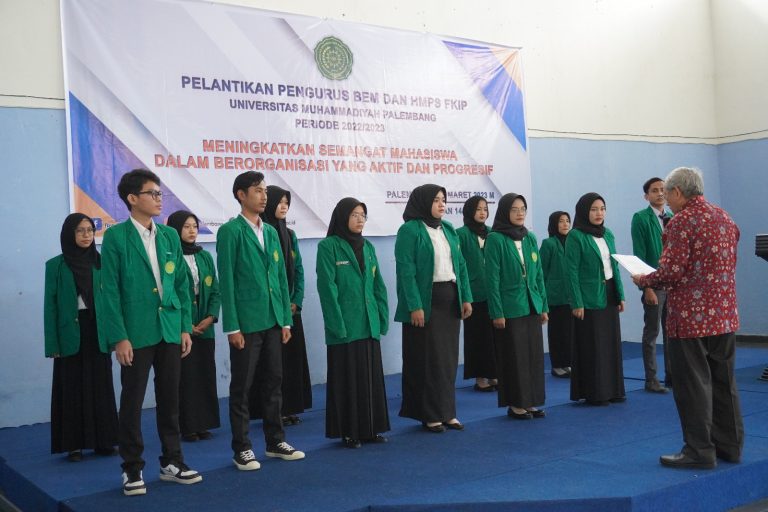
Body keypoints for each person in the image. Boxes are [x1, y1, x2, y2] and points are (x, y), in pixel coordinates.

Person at [633, 167, 743, 469]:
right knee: (724, 383)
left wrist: (644, 280)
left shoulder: (681, 222)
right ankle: (731, 447)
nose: (666, 200)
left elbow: (671, 272)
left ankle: (699, 451)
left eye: (667, 193)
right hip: (724, 316)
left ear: (678, 192)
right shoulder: (724, 216)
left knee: (693, 386)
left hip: (691, 320)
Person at [100, 169, 202, 496]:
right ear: (132, 198)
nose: (159, 199)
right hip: (135, 332)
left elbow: (181, 285)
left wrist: (184, 327)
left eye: (160, 193)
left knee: (170, 399)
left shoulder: (169, 235)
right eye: (152, 193)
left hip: (169, 328)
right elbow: (109, 291)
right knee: (132, 401)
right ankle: (132, 467)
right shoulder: (116, 237)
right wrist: (120, 337)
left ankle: (172, 461)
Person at [217, 171, 305, 472]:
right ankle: (241, 448)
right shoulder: (230, 232)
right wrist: (232, 326)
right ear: (241, 195)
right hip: (246, 323)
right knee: (242, 388)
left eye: (265, 190)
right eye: (257, 190)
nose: (264, 196)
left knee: (274, 382)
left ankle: (275, 441)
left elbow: (279, 278)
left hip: (273, 321)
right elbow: (227, 281)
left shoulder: (270, 231)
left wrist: (285, 321)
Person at [395, 184, 473, 433]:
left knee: (447, 361)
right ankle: (429, 414)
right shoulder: (410, 230)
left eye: (443, 200)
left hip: (450, 299)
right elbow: (406, 271)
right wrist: (415, 305)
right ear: (423, 201)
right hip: (425, 302)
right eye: (436, 200)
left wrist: (466, 297)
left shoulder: (448, 229)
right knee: (428, 360)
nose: (442, 204)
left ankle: (447, 412)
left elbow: (460, 266)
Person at [316, 198, 390, 448]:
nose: (360, 220)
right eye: (355, 215)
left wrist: (381, 317)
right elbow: (327, 288)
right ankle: (349, 432)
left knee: (371, 378)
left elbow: (378, 285)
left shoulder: (368, 246)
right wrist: (336, 324)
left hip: (369, 323)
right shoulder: (328, 246)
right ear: (342, 217)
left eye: (363, 215)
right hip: (344, 326)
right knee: (347, 380)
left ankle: (371, 429)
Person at [44, 213, 118, 462]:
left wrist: (116, 336)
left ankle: (103, 441)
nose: (87, 235)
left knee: (101, 386)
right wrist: (52, 343)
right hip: (69, 334)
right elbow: (50, 307)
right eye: (80, 231)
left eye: (90, 230)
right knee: (71, 388)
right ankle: (73, 445)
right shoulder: (55, 266)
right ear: (69, 234)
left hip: (98, 330)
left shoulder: (101, 262)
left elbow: (112, 301)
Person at [249, 186, 312, 426]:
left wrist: (296, 300)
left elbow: (299, 270)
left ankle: (290, 407)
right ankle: (271, 411)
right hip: (270, 310)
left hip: (291, 309)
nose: (284, 206)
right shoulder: (261, 234)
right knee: (270, 363)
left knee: (291, 360)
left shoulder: (290, 235)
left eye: (287, 202)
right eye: (280, 202)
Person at [485, 194, 548, 419]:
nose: (520, 213)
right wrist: (497, 312)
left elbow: (538, 274)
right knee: (515, 357)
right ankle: (515, 404)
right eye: (514, 209)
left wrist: (543, 306)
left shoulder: (530, 238)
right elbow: (492, 279)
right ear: (505, 212)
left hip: (532, 304)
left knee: (533, 356)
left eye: (523, 209)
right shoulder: (495, 239)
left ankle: (531, 401)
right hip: (510, 307)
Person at [565, 192, 626, 405]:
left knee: (610, 344)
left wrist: (620, 294)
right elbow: (571, 272)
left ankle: (613, 390)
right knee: (593, 346)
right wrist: (577, 302)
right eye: (593, 209)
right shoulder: (576, 236)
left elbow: (614, 266)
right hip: (588, 297)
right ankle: (595, 392)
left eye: (602, 209)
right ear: (584, 211)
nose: (599, 213)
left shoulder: (608, 234)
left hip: (609, 293)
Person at [166, 211, 221, 442]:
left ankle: (204, 423)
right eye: (186, 226)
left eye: (194, 226)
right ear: (175, 229)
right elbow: (170, 291)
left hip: (205, 325)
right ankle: (187, 426)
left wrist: (210, 317)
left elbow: (215, 290)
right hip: (181, 326)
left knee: (205, 373)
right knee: (185, 377)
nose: (191, 231)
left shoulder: (204, 256)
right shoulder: (170, 256)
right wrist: (185, 323)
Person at [631, 177, 673, 393]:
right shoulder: (640, 218)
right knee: (652, 332)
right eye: (655, 190)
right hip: (653, 283)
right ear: (646, 196)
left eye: (663, 189)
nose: (660, 193)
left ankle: (672, 376)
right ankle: (651, 379)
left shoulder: (673, 217)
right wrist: (646, 287)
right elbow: (639, 254)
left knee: (672, 332)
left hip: (672, 284)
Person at [456, 196, 497, 392]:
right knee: (477, 337)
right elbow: (458, 265)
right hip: (473, 295)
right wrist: (464, 295)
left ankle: (494, 374)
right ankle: (480, 378)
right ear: (469, 211)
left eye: (485, 209)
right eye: (478, 209)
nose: (482, 212)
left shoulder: (493, 233)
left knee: (494, 336)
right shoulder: (461, 234)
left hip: (494, 293)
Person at [540, 211, 574, 378]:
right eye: (561, 221)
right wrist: (543, 299)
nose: (565, 224)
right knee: (557, 333)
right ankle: (558, 365)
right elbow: (541, 272)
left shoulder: (574, 242)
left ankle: (568, 363)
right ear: (554, 224)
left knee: (570, 333)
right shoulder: (548, 244)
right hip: (555, 297)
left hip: (572, 297)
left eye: (567, 221)